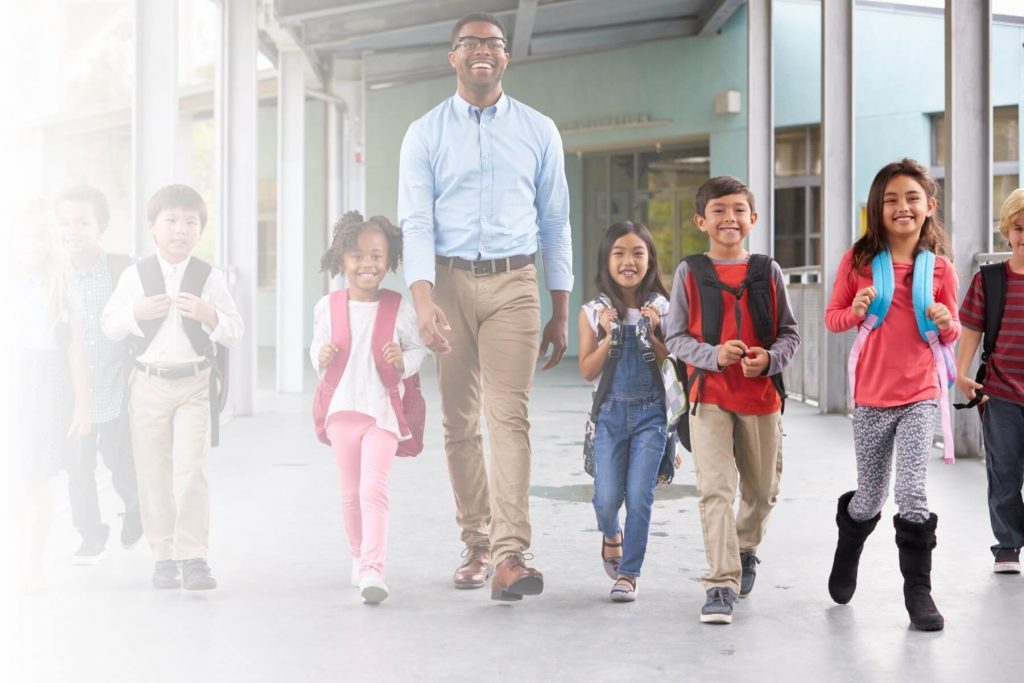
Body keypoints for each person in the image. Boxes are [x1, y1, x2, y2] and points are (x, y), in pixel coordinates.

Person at [397, 11, 572, 601]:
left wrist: (560, 305)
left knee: (509, 415)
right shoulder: (424, 133)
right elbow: (416, 221)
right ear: (453, 57)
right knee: (459, 420)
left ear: (505, 57)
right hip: (446, 283)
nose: (482, 51)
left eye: (492, 44)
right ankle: (475, 540)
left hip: (514, 282)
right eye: (469, 43)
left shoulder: (538, 128)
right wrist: (422, 300)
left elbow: (554, 221)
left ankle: (509, 553)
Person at [825, 158, 960, 632]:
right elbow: (833, 317)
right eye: (891, 200)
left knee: (911, 490)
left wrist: (947, 323)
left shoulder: (940, 268)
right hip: (871, 396)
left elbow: (953, 331)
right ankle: (850, 542)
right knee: (870, 496)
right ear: (877, 208)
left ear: (929, 206)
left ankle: (918, 593)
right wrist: (856, 308)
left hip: (921, 391)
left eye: (912, 198)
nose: (902, 207)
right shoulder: (858, 261)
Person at [664, 176, 800, 624]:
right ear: (701, 221)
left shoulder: (768, 270)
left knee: (762, 493)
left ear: (753, 219)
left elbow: (789, 333)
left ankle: (744, 548)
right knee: (715, 490)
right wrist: (714, 356)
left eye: (739, 210)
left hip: (761, 398)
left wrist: (771, 359)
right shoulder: (689, 271)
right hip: (711, 397)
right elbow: (676, 337)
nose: (730, 218)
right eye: (719, 210)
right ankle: (720, 583)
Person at [101, 184, 243, 591]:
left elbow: (235, 330)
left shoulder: (208, 277)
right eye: (172, 221)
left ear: (200, 230)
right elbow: (110, 324)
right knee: (153, 473)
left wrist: (209, 314)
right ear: (153, 227)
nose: (181, 229)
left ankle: (193, 555)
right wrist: (135, 312)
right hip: (147, 384)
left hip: (195, 384)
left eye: (190, 222)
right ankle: (163, 555)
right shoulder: (135, 275)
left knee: (191, 471)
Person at [311, 211, 427, 604]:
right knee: (349, 491)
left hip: (383, 411)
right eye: (357, 255)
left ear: (389, 260)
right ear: (341, 260)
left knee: (373, 488)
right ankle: (359, 556)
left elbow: (417, 349)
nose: (367, 264)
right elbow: (317, 349)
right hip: (343, 409)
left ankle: (374, 568)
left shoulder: (399, 307)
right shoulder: (327, 306)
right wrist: (320, 354)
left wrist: (403, 360)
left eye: (377, 255)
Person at [578, 221, 670, 602]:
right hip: (611, 416)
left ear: (650, 261)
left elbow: (674, 365)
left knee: (639, 495)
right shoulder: (593, 311)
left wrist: (653, 333)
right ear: (606, 260)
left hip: (652, 415)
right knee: (606, 498)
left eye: (637, 253)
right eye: (619, 253)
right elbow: (587, 370)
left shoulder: (664, 308)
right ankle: (611, 533)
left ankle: (629, 574)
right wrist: (608, 334)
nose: (628, 261)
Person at [56, 186, 142, 564]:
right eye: (63, 222)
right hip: (74, 389)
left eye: (82, 222)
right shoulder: (56, 276)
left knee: (119, 459)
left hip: (116, 383)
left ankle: (136, 509)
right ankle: (91, 535)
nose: (71, 230)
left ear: (101, 226)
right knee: (77, 466)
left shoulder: (122, 269)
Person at [10, 200, 91, 592]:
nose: (31, 243)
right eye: (23, 235)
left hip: (42, 380)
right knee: (12, 477)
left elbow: (76, 347)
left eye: (39, 235)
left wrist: (83, 404)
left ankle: (32, 562)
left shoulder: (62, 281)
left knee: (36, 477)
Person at [955, 187, 1024, 575]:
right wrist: (962, 374)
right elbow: (972, 330)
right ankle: (1008, 546)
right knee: (1004, 471)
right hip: (1000, 392)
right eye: (1018, 227)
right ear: (1006, 231)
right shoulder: (991, 280)